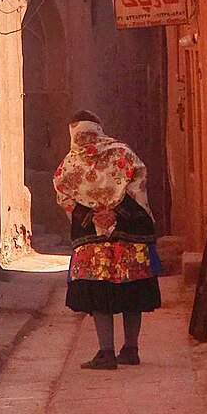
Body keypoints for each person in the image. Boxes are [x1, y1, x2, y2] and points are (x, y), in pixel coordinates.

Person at [53, 111, 161, 369]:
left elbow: (63, 193)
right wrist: (116, 212)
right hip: (129, 240)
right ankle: (131, 349)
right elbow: (138, 186)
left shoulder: (70, 163)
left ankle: (106, 352)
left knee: (98, 293)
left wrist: (93, 214)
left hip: (93, 245)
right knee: (132, 291)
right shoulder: (123, 154)